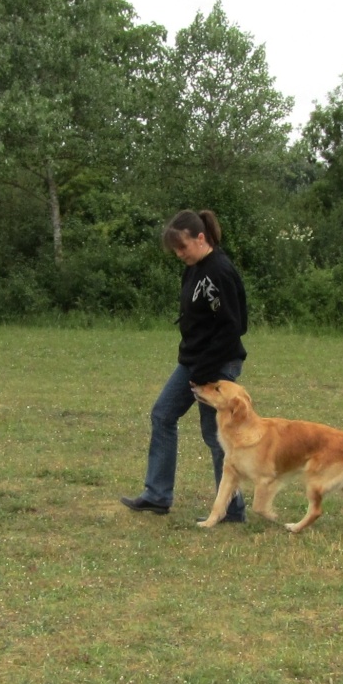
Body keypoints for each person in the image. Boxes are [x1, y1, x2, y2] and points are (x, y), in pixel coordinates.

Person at [121, 209, 248, 522]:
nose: (179, 254)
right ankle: (157, 496)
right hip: (193, 363)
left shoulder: (219, 271)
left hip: (217, 366)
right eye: (175, 250)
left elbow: (234, 326)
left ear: (200, 238)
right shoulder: (194, 267)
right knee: (163, 414)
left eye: (183, 247)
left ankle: (232, 509)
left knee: (216, 436)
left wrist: (206, 371)